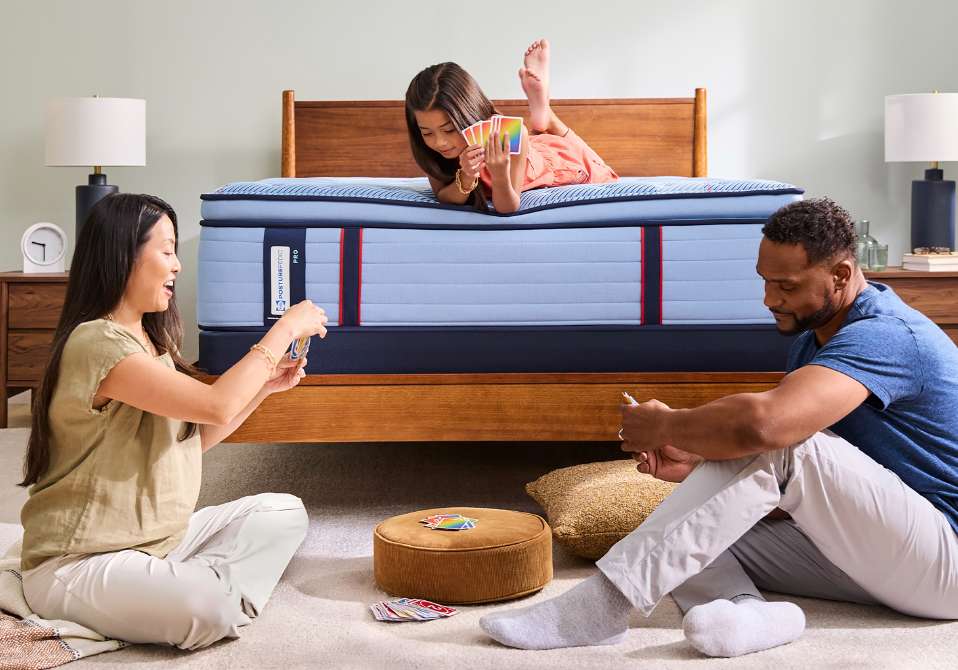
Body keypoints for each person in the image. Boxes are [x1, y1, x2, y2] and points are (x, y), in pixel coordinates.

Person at [480, 197, 958, 655]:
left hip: (943, 559)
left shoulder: (888, 335)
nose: (770, 299)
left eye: (787, 286)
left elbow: (769, 430)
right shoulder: (813, 342)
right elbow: (806, 492)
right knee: (681, 530)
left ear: (841, 274)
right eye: (765, 281)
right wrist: (700, 467)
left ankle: (601, 608)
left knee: (781, 439)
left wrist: (667, 425)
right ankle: (746, 615)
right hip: (876, 555)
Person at [18, 193, 328, 650]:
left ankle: (169, 589)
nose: (178, 265)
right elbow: (216, 404)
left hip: (162, 540)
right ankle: (194, 592)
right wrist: (283, 330)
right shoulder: (97, 341)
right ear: (124, 255)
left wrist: (264, 388)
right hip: (81, 559)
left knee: (283, 511)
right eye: (166, 250)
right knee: (208, 611)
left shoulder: (146, 342)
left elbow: (187, 443)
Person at [404, 38, 618, 214]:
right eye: (427, 132)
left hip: (551, 163)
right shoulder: (429, 149)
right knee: (539, 138)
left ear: (469, 116)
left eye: (449, 130)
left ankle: (546, 116)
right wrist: (467, 177)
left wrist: (499, 174)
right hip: (530, 148)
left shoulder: (509, 136)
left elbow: (507, 207)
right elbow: (443, 195)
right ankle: (543, 117)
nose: (439, 142)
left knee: (604, 174)